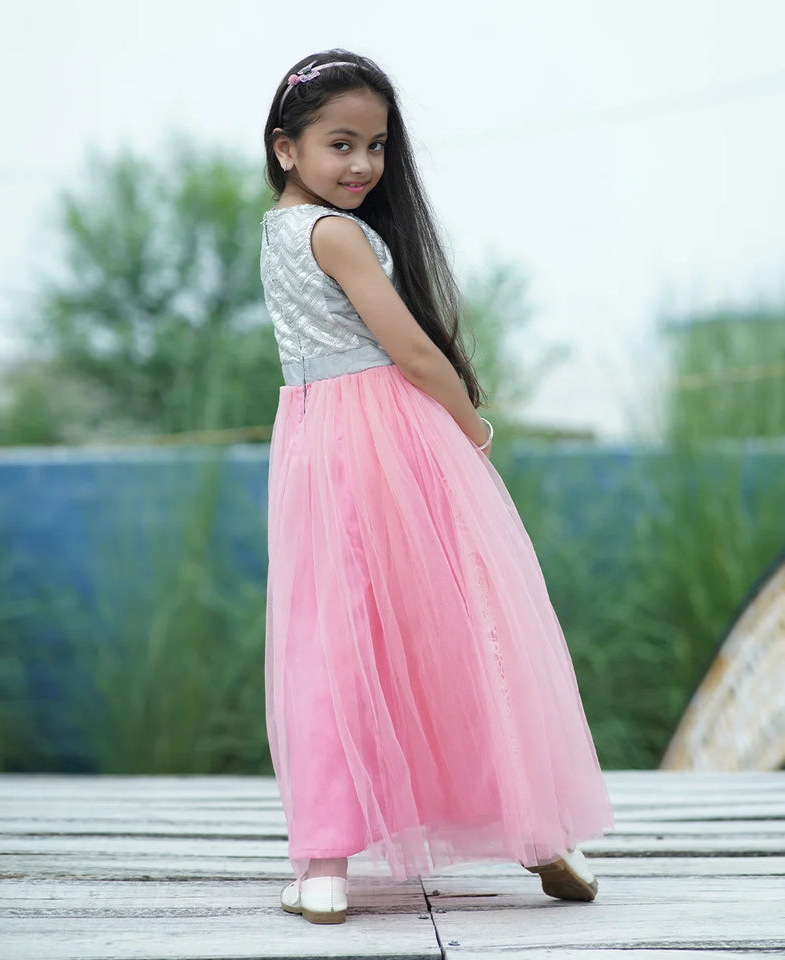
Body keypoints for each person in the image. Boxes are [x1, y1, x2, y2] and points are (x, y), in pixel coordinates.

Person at [260, 49, 615, 926]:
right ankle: (537, 836)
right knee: (458, 625)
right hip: (387, 431)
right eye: (340, 143)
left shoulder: (279, 231)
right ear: (285, 149)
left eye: (376, 146)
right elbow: (413, 349)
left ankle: (323, 867)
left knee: (333, 638)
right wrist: (470, 426)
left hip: (315, 435)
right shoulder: (335, 233)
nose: (363, 165)